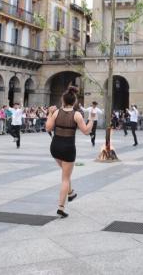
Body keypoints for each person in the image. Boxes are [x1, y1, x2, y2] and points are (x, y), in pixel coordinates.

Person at [46, 86, 93, 218]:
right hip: (68, 148)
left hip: (55, 147)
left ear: (63, 100)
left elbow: (48, 128)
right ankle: (61, 207)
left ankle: (71, 193)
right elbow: (86, 131)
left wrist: (50, 113)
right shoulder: (77, 115)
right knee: (65, 178)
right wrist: (92, 120)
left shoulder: (56, 113)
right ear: (74, 101)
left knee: (65, 173)